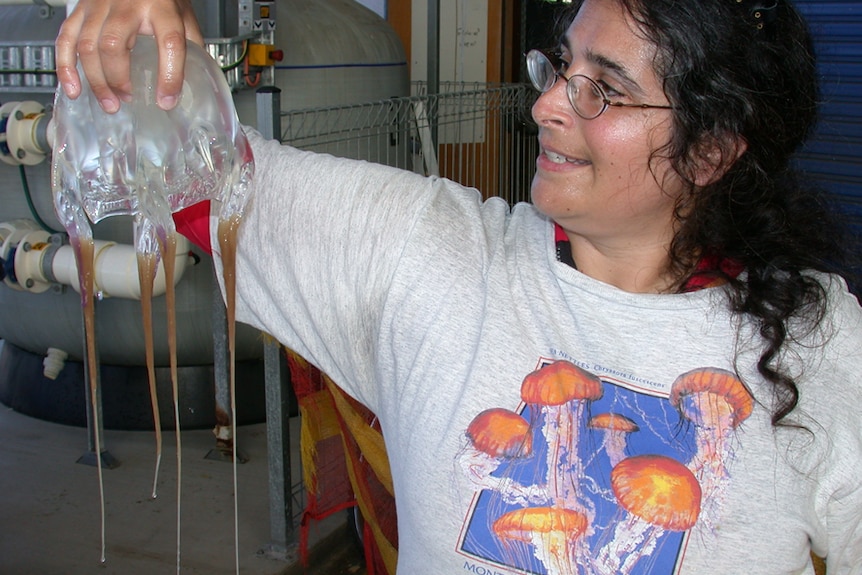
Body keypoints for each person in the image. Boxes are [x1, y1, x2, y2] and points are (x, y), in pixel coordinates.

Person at [55, 0, 862, 573]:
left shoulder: (816, 340)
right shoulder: (432, 253)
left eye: (602, 89)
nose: (546, 104)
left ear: (711, 151)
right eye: (559, 67)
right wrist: (140, 47)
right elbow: (202, 178)